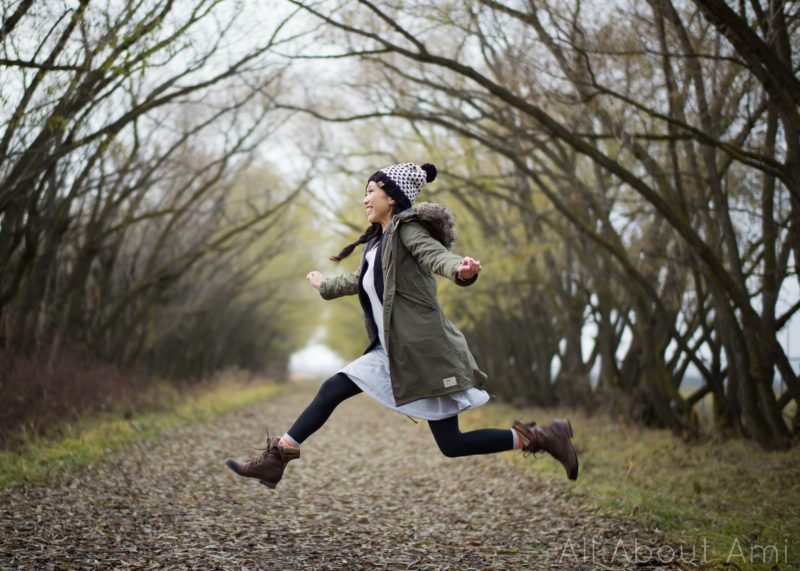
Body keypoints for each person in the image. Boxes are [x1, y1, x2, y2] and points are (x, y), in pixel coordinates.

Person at [225, 162, 578, 489]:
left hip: (424, 352)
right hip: (391, 350)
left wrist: (461, 269)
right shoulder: (377, 243)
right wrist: (324, 285)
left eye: (370, 191)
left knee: (452, 444)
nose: (364, 198)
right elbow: (360, 280)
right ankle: (278, 457)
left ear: (391, 196)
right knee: (334, 388)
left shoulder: (407, 230)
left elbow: (434, 255)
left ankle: (543, 437)